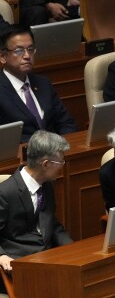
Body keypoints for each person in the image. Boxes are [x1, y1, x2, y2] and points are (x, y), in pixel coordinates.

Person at [0, 130, 73, 277]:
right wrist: (1, 256)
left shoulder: (46, 185)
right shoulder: (5, 192)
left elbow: (52, 223)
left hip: (48, 258)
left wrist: (73, 248)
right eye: (60, 162)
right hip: (18, 264)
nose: (62, 166)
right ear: (45, 164)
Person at [0, 25, 77, 142]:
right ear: (3, 57)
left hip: (56, 152)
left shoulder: (43, 83)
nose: (27, 56)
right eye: (19, 50)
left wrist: (62, 147)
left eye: (30, 49)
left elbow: (66, 123)